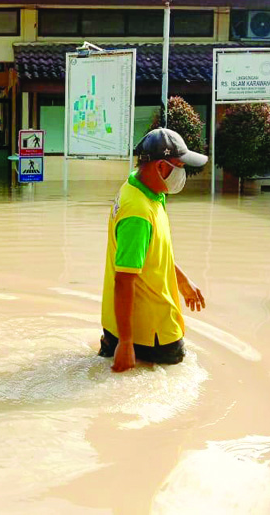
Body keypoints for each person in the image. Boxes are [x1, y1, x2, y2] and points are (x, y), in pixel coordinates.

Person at [99, 128, 208, 372]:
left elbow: (152, 253)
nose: (183, 173)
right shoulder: (138, 213)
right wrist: (126, 343)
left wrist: (182, 281)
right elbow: (125, 279)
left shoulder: (142, 187)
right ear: (161, 167)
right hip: (151, 334)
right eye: (179, 165)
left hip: (120, 327)